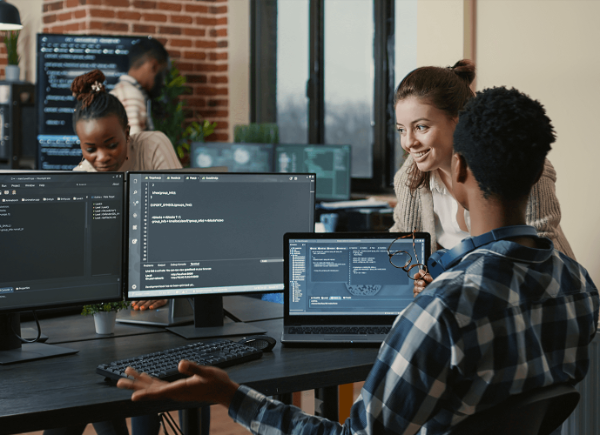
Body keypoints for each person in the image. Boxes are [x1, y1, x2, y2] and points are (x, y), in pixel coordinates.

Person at [116, 87, 599, 434]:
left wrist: (231, 396)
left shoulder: (444, 308)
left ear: (460, 166)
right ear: (538, 171)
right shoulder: (579, 286)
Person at [390, 60, 575, 261]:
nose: (408, 142)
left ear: (459, 120)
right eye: (401, 130)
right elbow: (402, 242)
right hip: (462, 286)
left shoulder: (513, 162)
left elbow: (538, 246)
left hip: (530, 283)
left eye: (421, 127)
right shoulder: (408, 179)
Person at [110, 37, 169, 136]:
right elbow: (134, 144)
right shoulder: (131, 95)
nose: (162, 82)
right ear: (153, 66)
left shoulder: (124, 90)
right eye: (162, 74)